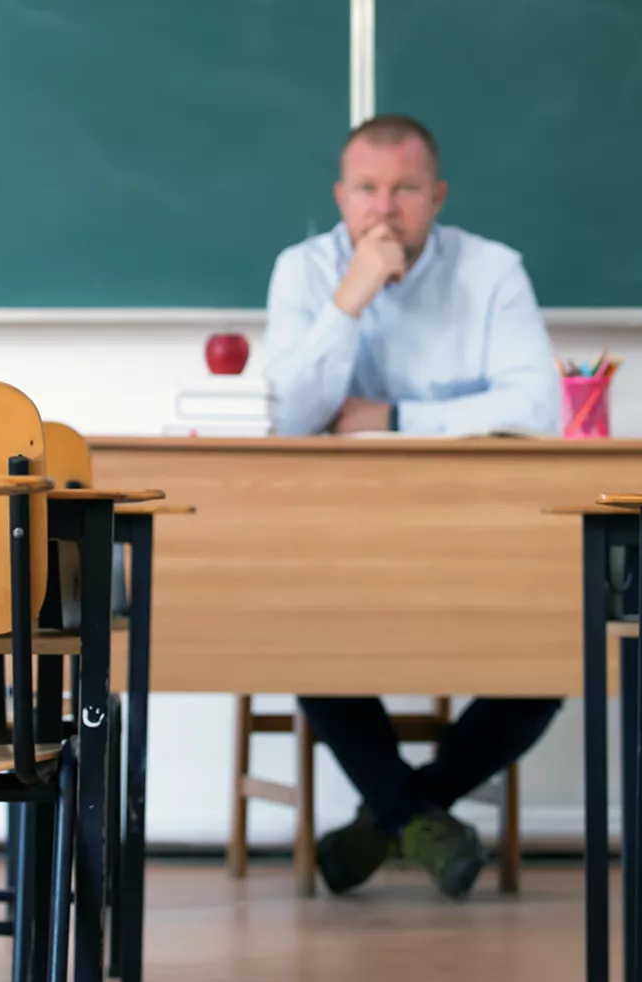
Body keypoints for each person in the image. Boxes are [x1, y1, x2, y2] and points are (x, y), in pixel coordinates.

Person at [259, 114, 562, 899]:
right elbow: (287, 418)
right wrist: (348, 301)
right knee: (294, 635)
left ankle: (393, 815)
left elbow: (536, 406)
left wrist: (391, 418)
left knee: (553, 657)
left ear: (438, 197)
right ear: (341, 195)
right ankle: (414, 813)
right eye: (367, 189)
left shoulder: (493, 272)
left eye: (404, 190)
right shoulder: (303, 270)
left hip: (474, 534)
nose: (384, 209)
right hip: (337, 539)